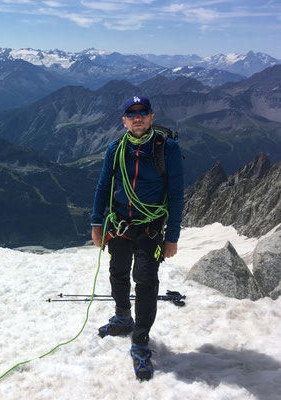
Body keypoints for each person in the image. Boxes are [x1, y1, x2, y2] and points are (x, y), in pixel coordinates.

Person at [90, 95, 184, 381]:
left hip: (150, 228)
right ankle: (122, 317)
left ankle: (140, 340)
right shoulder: (115, 148)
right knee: (117, 272)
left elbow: (177, 194)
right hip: (119, 225)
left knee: (145, 282)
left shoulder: (166, 148)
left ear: (152, 117)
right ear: (124, 120)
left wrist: (173, 236)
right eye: (132, 114)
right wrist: (97, 223)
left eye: (143, 112)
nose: (138, 117)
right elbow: (104, 186)